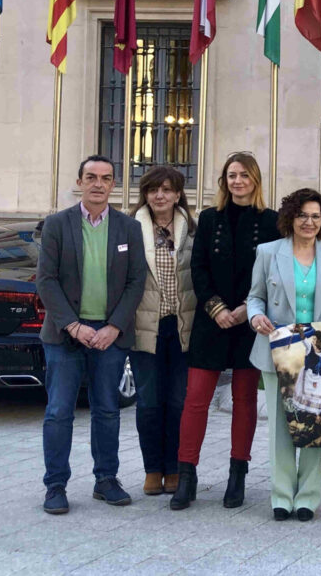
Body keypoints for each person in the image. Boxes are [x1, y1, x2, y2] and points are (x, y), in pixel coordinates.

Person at [36, 155, 148, 514]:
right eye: (91, 177)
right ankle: (55, 485)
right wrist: (74, 325)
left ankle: (106, 480)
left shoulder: (128, 228)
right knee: (58, 412)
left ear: (113, 184)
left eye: (106, 178)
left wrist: (114, 326)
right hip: (66, 334)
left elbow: (136, 281)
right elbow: (46, 280)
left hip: (110, 336)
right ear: (80, 181)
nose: (98, 184)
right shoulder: (57, 224)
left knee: (107, 411)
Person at [171, 152, 279, 511]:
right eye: (231, 175)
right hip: (212, 320)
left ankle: (238, 474)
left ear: (255, 180)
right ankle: (187, 474)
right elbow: (197, 268)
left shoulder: (272, 222)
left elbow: (271, 275)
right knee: (196, 398)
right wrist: (216, 308)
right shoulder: (208, 218)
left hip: (250, 322)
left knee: (244, 400)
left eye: (244, 176)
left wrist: (249, 308)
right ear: (224, 181)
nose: (237, 182)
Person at [247, 188, 321, 521]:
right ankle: (281, 496)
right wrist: (255, 316)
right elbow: (255, 297)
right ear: (290, 217)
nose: (308, 222)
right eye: (302, 215)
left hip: (320, 350)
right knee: (280, 426)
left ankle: (307, 497)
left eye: (315, 216)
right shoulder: (268, 252)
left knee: (316, 425)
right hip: (279, 348)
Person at [129, 165, 197, 497]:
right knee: (149, 402)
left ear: (178, 194)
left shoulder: (192, 230)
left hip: (183, 327)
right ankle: (152, 470)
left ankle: (174, 468)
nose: (160, 195)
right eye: (154, 189)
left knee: (178, 402)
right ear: (145, 194)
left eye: (167, 189)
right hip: (145, 327)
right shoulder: (130, 229)